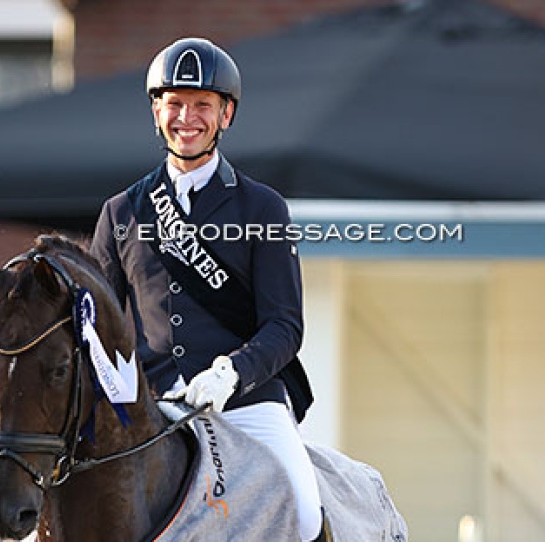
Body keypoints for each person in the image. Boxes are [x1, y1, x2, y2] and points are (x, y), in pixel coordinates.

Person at [89, 37, 325, 541]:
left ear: (226, 115)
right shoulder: (121, 212)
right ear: (156, 111)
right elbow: (98, 332)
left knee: (304, 513)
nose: (187, 117)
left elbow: (286, 325)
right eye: (174, 104)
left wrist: (232, 373)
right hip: (155, 409)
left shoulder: (263, 209)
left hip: (248, 401)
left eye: (203, 106)